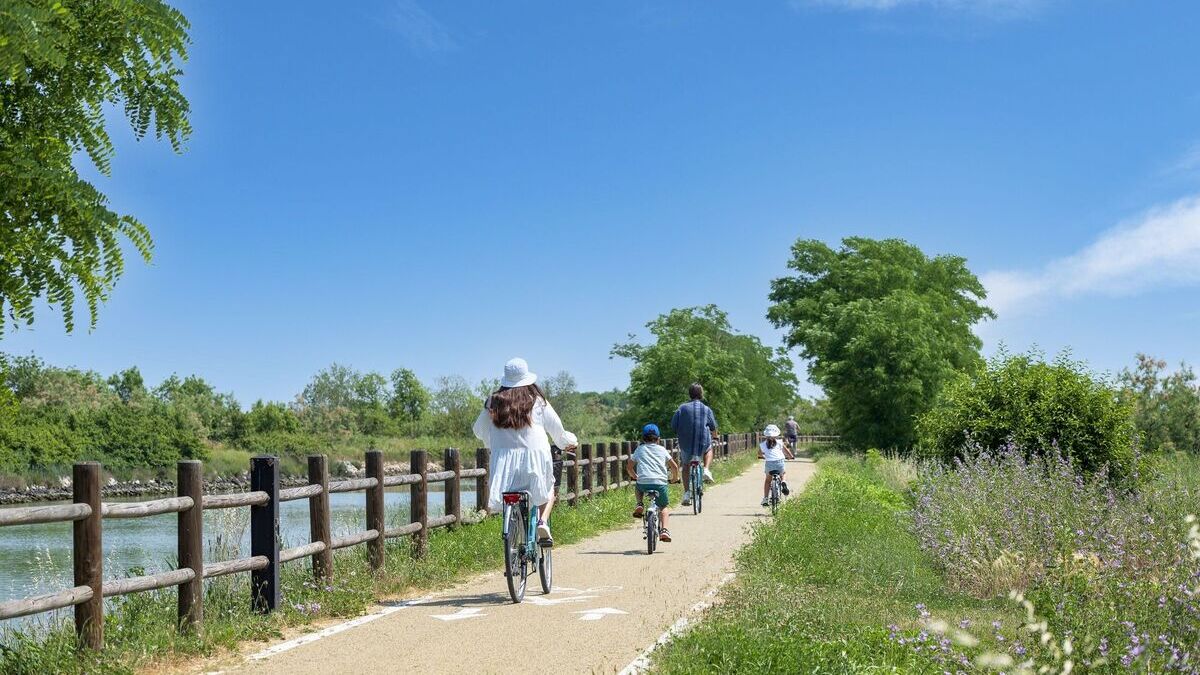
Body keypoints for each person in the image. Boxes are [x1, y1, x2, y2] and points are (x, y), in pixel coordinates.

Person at [473, 357, 577, 543]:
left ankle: (514, 539)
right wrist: (568, 442)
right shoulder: (537, 401)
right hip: (535, 459)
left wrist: (492, 442)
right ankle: (542, 522)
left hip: (504, 463)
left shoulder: (492, 402)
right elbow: (557, 431)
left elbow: (478, 430)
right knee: (548, 489)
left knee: (511, 497)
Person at [627, 423, 678, 542]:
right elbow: (674, 466)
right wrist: (674, 478)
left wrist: (635, 476)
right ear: (658, 439)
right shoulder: (662, 450)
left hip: (644, 482)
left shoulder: (639, 449)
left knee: (639, 488)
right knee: (663, 506)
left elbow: (629, 467)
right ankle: (664, 530)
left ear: (643, 438)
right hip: (660, 483)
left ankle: (639, 503)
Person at [670, 383, 718, 507]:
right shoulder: (706, 409)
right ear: (701, 394)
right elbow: (713, 427)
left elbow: (673, 426)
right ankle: (706, 469)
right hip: (703, 442)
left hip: (686, 443)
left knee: (686, 466)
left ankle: (686, 493)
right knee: (709, 449)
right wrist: (715, 436)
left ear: (689, 394)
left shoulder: (682, 408)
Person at [758, 423, 794, 507]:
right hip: (779, 463)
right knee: (783, 474)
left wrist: (762, 456)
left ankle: (766, 498)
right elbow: (787, 452)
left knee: (768, 480)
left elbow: (759, 454)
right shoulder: (780, 443)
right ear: (776, 435)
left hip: (769, 464)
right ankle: (784, 482)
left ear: (766, 435)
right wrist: (791, 456)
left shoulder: (762, 445)